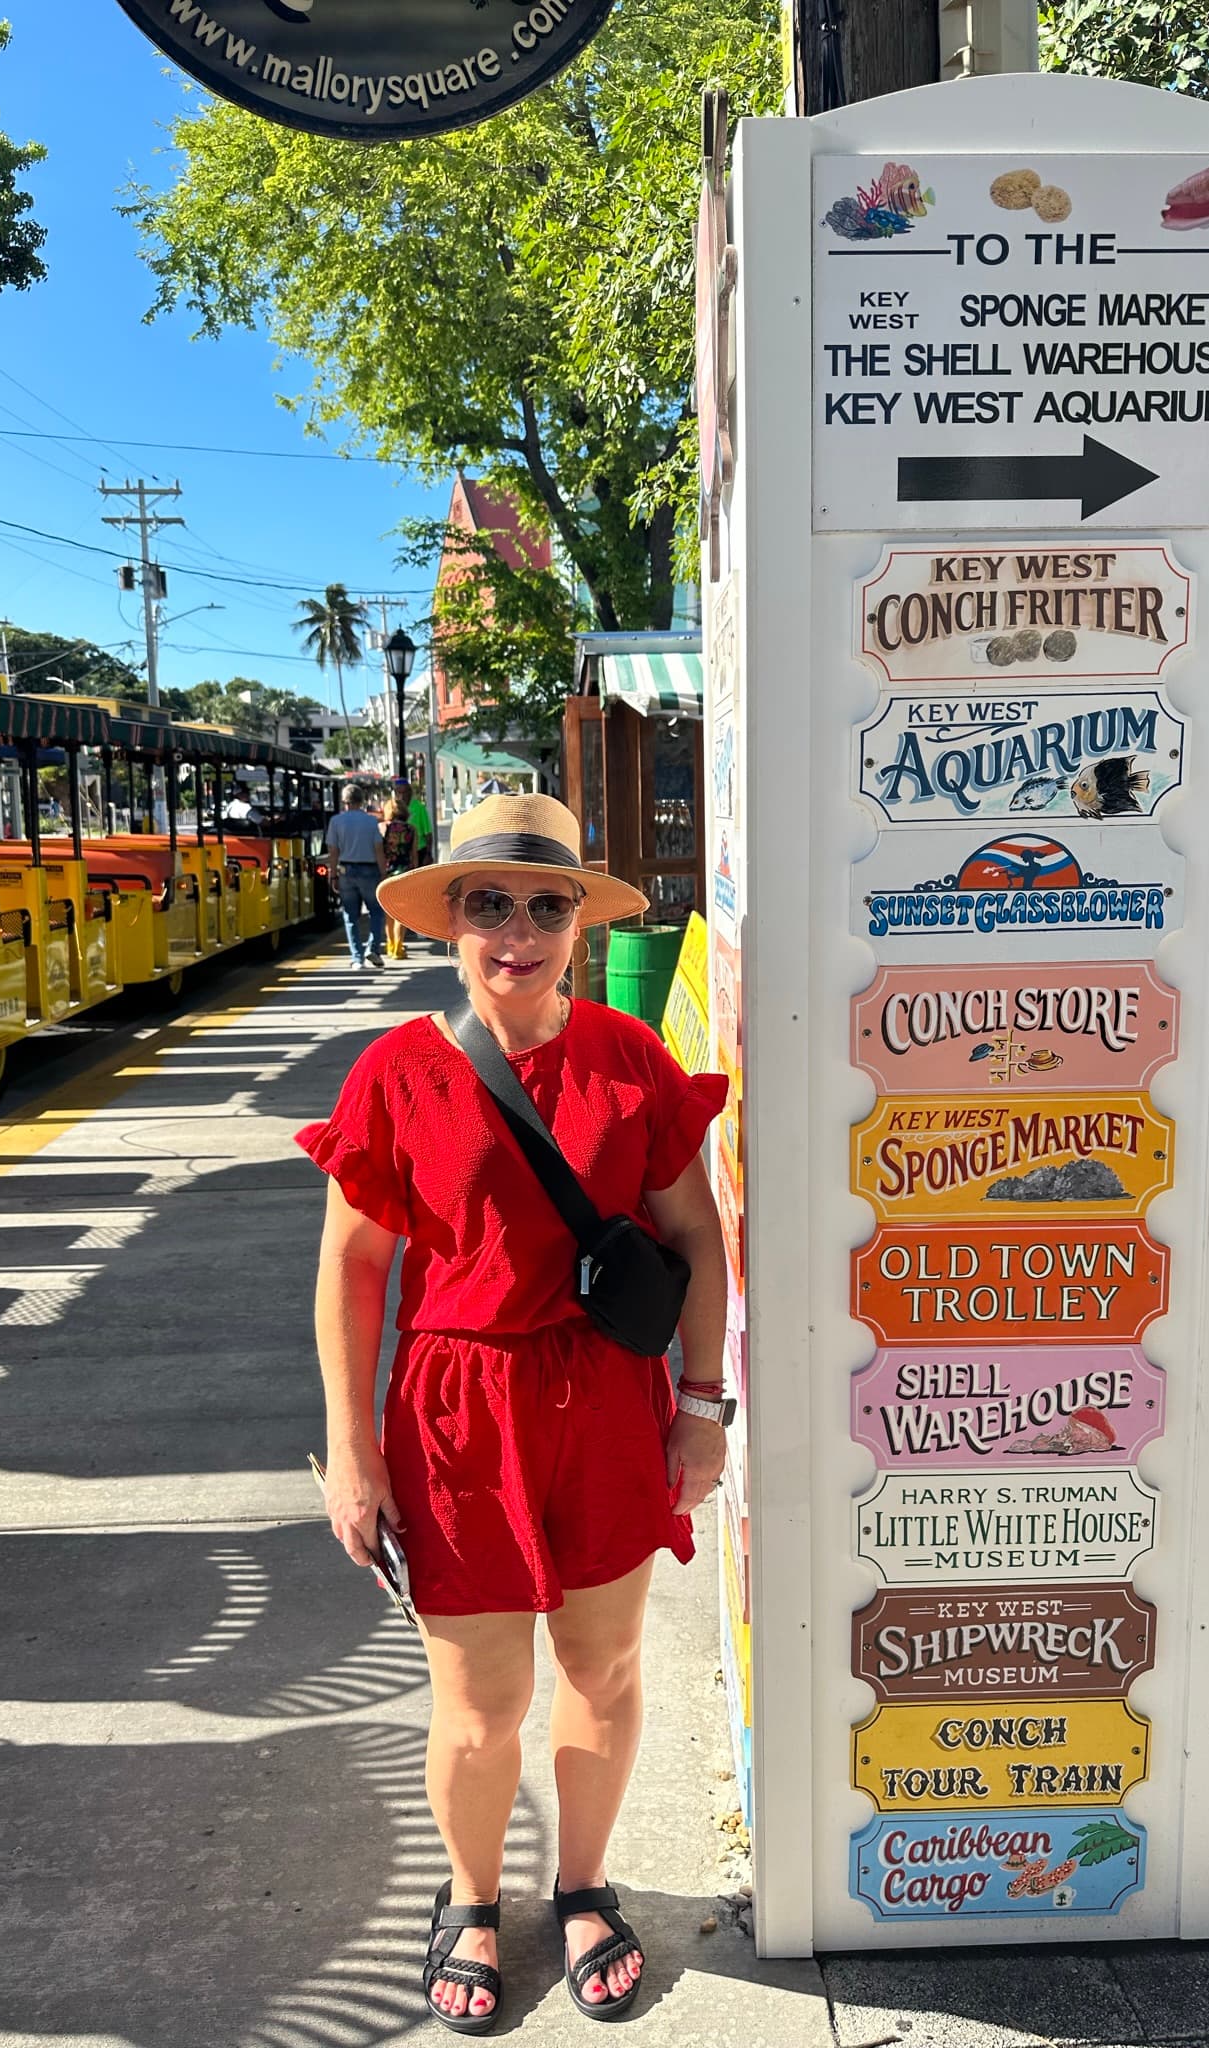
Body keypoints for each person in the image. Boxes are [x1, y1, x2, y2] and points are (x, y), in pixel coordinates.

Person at [297, 793, 729, 2033]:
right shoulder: (397, 1071)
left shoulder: (627, 1061)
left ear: (580, 923)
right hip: (456, 1418)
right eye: (492, 903)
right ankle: (474, 1899)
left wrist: (704, 1406)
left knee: (602, 1662)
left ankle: (585, 1884)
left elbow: (696, 1234)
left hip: (602, 1399)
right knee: (480, 1695)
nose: (520, 931)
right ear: (452, 922)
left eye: (547, 904)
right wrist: (353, 1450)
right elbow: (353, 1268)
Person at [324, 782, 387, 969]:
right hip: (369, 870)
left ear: (345, 801)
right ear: (361, 801)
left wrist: (333, 874)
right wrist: (383, 873)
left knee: (350, 915)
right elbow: (378, 849)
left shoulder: (336, 821)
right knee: (376, 911)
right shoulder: (371, 821)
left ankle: (357, 958)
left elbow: (333, 850)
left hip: (346, 871)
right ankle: (373, 948)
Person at [379, 786, 418, 960]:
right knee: (401, 912)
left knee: (387, 910)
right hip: (404, 872)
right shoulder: (411, 830)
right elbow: (414, 855)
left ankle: (390, 944)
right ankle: (399, 948)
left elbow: (378, 850)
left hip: (386, 872)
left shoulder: (382, 827)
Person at [393, 774, 435, 869]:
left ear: (410, 792)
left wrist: (428, 854)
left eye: (405, 792)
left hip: (419, 851)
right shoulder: (393, 808)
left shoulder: (419, 808)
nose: (402, 796)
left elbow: (428, 833)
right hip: (401, 854)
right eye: (399, 793)